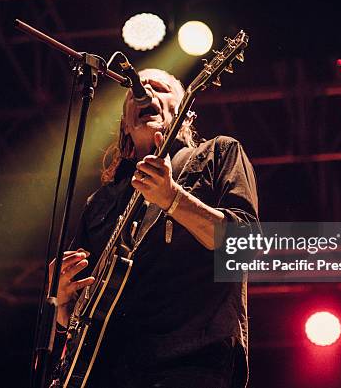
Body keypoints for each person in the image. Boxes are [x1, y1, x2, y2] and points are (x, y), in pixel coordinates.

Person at [55, 68, 259, 388]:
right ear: (125, 123)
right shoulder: (100, 202)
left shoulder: (218, 154)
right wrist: (64, 306)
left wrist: (173, 198)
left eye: (160, 88)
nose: (146, 92)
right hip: (110, 370)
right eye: (138, 90)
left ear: (185, 112)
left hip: (191, 362)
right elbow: (85, 312)